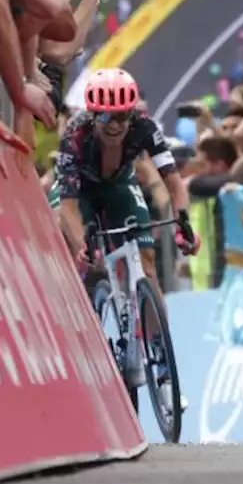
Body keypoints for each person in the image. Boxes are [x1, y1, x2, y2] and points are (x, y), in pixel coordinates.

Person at [54, 67, 199, 410]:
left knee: (147, 267)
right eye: (107, 117)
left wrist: (183, 226)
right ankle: (90, 331)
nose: (116, 124)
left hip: (120, 188)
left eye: (122, 116)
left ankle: (162, 365)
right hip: (83, 195)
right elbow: (69, 209)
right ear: (92, 114)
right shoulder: (75, 136)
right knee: (87, 261)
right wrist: (81, 245)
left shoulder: (146, 127)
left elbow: (174, 184)